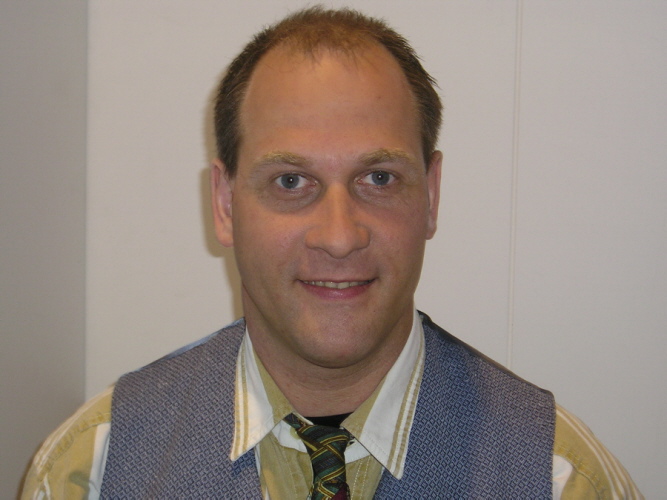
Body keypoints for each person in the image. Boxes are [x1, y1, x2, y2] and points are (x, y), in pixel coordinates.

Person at [22, 6, 642, 499]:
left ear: (431, 197)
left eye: (379, 178)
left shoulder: (561, 480)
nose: (340, 237)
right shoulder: (91, 471)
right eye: (291, 181)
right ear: (225, 204)